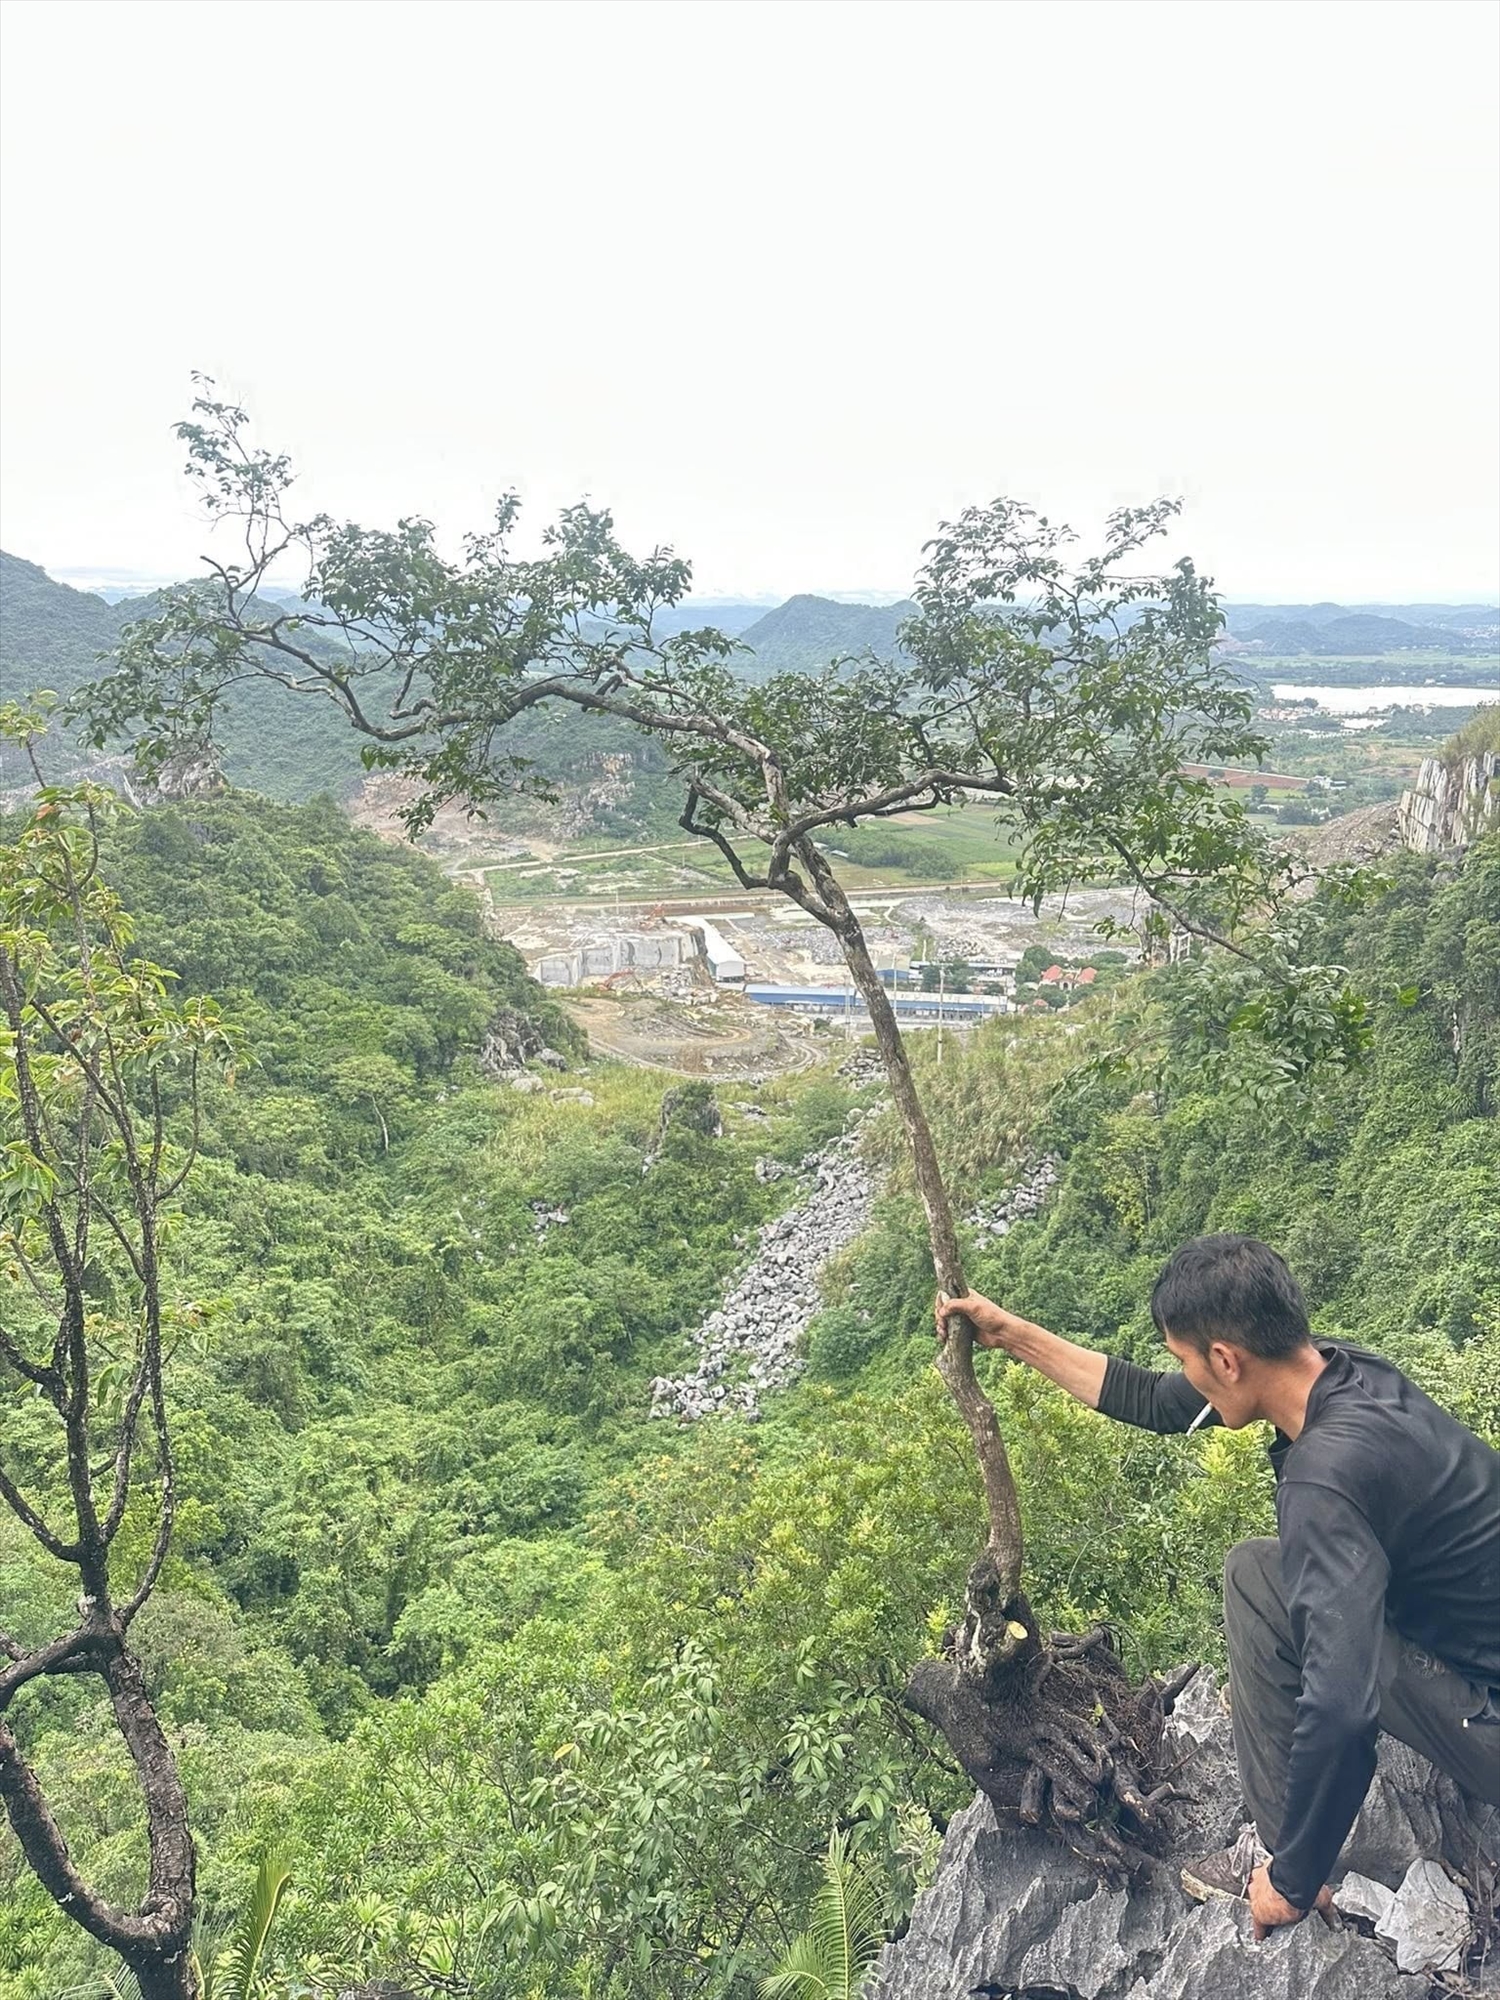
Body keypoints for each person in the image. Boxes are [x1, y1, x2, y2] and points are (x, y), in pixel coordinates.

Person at [935, 1233, 1500, 1939]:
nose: (1185, 1378)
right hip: (1467, 1639)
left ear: (1226, 1359)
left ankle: (1283, 1868)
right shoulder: (1346, 1374)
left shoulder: (1325, 1479)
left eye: (1187, 1360)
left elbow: (1343, 1707)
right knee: (1258, 1569)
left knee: (1272, 1599)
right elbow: (1155, 1401)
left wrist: (1290, 1882)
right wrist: (1012, 1336)